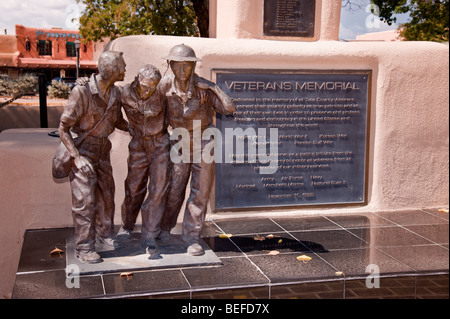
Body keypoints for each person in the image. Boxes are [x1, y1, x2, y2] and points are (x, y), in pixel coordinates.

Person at [158, 44, 235, 256]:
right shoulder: (163, 87)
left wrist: (212, 88)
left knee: (200, 191)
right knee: (174, 188)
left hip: (204, 139)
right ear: (170, 65)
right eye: (178, 65)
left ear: (193, 66)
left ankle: (191, 236)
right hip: (179, 140)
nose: (182, 70)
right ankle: (165, 228)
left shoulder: (203, 87)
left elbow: (229, 108)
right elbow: (153, 112)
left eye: (187, 65)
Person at [58, 51, 128, 264]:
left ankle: (105, 235)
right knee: (85, 201)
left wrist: (138, 128)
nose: (125, 69)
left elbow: (117, 122)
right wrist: (76, 157)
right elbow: (63, 128)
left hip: (103, 151)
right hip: (83, 151)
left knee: (107, 196)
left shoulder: (116, 93)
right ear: (113, 70)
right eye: (122, 66)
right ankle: (84, 246)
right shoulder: (82, 92)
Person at [116, 64, 169, 255]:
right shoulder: (122, 93)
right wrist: (127, 127)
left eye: (152, 87)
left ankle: (149, 236)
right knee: (134, 188)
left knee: (158, 190)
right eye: (145, 86)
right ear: (137, 79)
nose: (148, 91)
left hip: (160, 145)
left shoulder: (162, 91)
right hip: (138, 145)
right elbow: (111, 113)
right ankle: (126, 225)